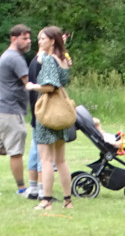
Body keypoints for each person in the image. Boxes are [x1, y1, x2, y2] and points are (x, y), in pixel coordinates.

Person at [24, 26, 73, 210]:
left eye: (43, 39)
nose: (40, 42)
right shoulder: (63, 60)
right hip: (61, 113)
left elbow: (49, 86)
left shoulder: (51, 60)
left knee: (46, 160)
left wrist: (32, 86)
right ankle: (67, 200)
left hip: (49, 112)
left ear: (52, 41)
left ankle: (47, 200)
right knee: (61, 160)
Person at [0, 24, 33, 198]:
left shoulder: (8, 56)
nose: (28, 42)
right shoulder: (15, 58)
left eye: (29, 38)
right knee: (16, 151)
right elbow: (28, 83)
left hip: (3, 109)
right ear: (14, 39)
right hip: (10, 111)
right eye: (24, 38)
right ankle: (22, 189)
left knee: (3, 149)